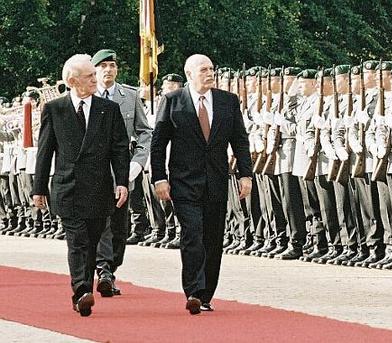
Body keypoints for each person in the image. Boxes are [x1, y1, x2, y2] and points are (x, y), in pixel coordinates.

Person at [150, 54, 252, 315]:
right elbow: (159, 144)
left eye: (211, 69)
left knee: (213, 238)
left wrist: (245, 175)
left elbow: (239, 140)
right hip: (184, 183)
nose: (209, 73)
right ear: (189, 74)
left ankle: (207, 293)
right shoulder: (173, 101)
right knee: (192, 233)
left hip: (216, 181)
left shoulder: (227, 101)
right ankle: (194, 291)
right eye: (203, 70)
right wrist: (159, 178)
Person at [32, 54, 129, 316]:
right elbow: (45, 151)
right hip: (69, 187)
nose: (95, 79)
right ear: (73, 81)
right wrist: (38, 188)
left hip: (99, 188)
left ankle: (84, 285)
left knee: (93, 240)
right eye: (89, 76)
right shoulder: (55, 109)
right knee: (77, 242)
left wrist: (122, 182)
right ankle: (82, 291)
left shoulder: (108, 109)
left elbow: (119, 149)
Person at [91, 49, 152, 296]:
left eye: (112, 65)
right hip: (95, 172)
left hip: (123, 172)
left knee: (119, 226)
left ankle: (111, 268)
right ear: (95, 70)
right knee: (101, 222)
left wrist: (137, 163)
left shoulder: (130, 96)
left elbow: (145, 132)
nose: (108, 70)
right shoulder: (88, 95)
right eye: (103, 66)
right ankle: (103, 270)